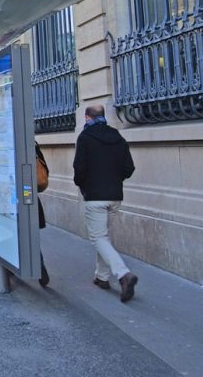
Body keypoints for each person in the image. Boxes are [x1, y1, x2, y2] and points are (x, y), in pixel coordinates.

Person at [73, 104, 138, 302]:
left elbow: (79, 169)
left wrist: (84, 185)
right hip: (114, 195)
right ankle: (101, 277)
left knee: (98, 238)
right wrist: (114, 180)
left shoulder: (85, 138)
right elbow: (129, 168)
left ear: (87, 117)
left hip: (94, 196)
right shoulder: (118, 137)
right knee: (104, 237)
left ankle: (123, 274)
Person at [36, 141, 50, 287]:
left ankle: (8, 267)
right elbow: (46, 169)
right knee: (30, 233)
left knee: (11, 231)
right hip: (30, 195)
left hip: (9, 197)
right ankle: (39, 265)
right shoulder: (32, 144)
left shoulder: (2, 143)